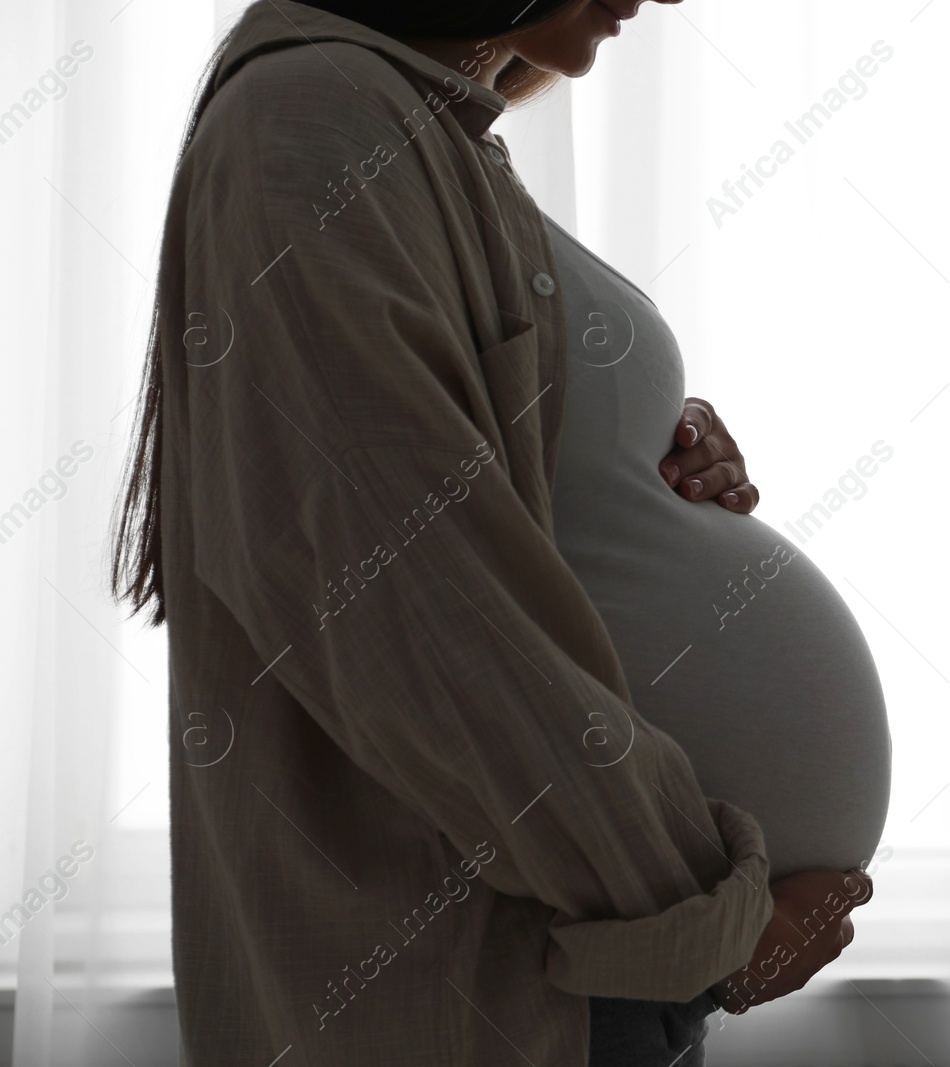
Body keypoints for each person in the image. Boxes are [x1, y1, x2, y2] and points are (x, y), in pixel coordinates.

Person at [110, 1, 891, 1064]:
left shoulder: (421, 133)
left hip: (578, 951)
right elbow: (408, 615)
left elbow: (453, 503)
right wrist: (710, 920)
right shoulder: (313, 122)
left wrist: (644, 464)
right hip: (507, 970)